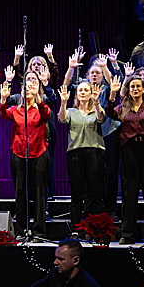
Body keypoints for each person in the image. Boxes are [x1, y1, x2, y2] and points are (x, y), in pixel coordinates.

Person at [105, 73, 144, 244]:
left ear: (143, 88)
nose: (136, 89)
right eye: (132, 87)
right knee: (128, 192)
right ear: (129, 90)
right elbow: (110, 112)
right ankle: (128, 233)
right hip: (129, 150)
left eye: (138, 86)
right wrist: (112, 95)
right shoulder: (123, 107)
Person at [0, 71, 51, 239]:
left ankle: (39, 232)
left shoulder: (41, 108)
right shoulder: (15, 110)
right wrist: (3, 99)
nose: (28, 89)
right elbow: (1, 113)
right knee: (20, 193)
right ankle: (21, 231)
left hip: (39, 153)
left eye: (31, 87)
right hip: (18, 154)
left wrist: (38, 97)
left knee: (39, 194)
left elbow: (47, 114)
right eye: (25, 88)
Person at [57, 79, 106, 232]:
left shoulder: (97, 108)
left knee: (95, 192)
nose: (83, 92)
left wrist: (97, 103)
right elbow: (62, 119)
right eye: (80, 90)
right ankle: (76, 227)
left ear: (91, 93)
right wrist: (63, 103)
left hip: (95, 152)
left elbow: (101, 119)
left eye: (86, 90)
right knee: (77, 192)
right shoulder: (72, 111)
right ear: (77, 94)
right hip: (75, 154)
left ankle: (96, 227)